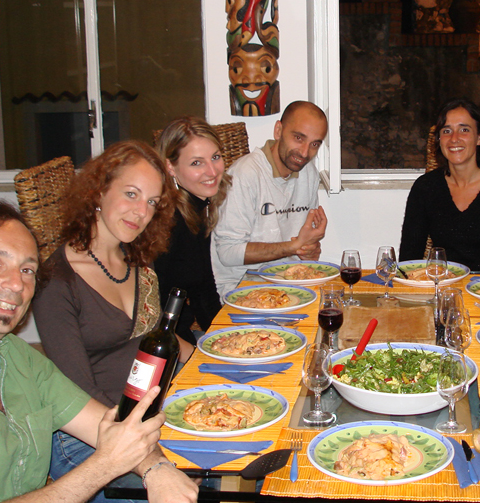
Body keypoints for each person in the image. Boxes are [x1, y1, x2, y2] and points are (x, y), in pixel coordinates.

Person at [0, 201, 197, 503]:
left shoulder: (17, 356)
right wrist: (104, 465)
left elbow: (105, 424)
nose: (15, 284)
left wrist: (156, 467)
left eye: (27, 270)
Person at [32, 141, 194, 501]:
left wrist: (212, 363)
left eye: (152, 202)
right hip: (88, 439)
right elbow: (79, 393)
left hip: (144, 413)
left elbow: (155, 334)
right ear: (98, 191)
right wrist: (155, 457)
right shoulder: (56, 283)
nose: (142, 212)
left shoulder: (135, 263)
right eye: (132, 194)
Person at [399, 98, 480, 271]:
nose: (454, 138)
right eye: (447, 131)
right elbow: (408, 260)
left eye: (464, 129)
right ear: (439, 140)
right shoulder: (425, 188)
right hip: (444, 288)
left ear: (479, 137)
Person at [212, 100, 329, 296]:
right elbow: (227, 253)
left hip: (289, 284)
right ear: (278, 131)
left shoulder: (308, 172)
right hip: (242, 289)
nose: (304, 153)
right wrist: (294, 246)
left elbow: (304, 247)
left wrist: (309, 249)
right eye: (299, 138)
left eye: (314, 144)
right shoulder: (244, 175)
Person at [155, 117, 232, 344]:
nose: (212, 171)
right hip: (163, 342)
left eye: (215, 157)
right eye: (196, 163)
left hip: (182, 334)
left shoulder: (196, 207)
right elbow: (153, 314)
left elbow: (203, 288)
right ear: (170, 167)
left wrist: (226, 339)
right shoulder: (166, 221)